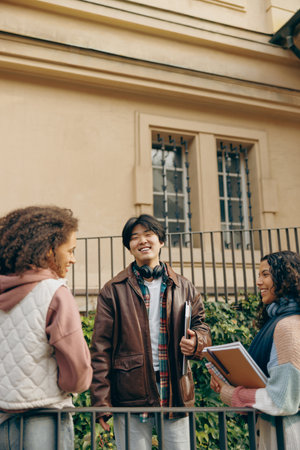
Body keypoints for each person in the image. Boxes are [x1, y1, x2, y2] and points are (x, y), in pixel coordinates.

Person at [90, 214, 211, 450]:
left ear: (161, 241)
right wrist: (101, 402)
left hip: (175, 389)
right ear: (129, 247)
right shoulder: (112, 290)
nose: (142, 241)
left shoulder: (184, 286)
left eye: (148, 234)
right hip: (129, 394)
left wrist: (197, 342)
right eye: (135, 238)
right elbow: (100, 349)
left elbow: (202, 326)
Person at [0, 206, 93, 450]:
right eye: (70, 250)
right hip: (45, 418)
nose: (73, 258)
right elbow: (77, 371)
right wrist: (74, 385)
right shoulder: (54, 293)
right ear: (50, 250)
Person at [209, 250, 300, 449]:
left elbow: (282, 399)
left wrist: (230, 393)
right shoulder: (281, 322)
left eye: (266, 275)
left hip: (288, 437)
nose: (259, 282)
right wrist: (228, 380)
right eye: (259, 275)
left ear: (286, 278)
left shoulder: (287, 327)